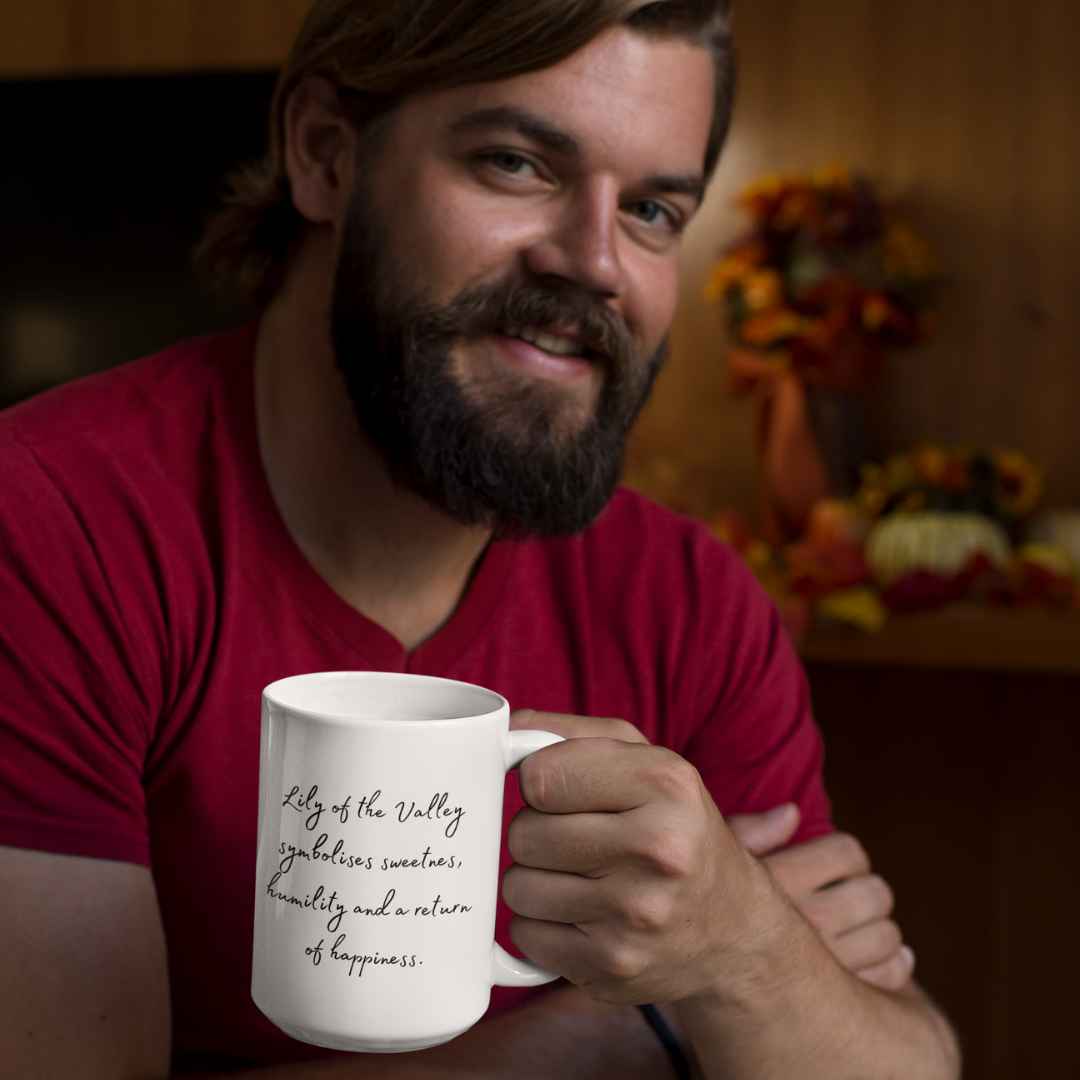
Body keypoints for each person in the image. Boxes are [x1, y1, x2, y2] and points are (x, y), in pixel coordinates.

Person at [0, 1, 960, 1076]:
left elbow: (910, 1058)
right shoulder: (44, 526)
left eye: (651, 208)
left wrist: (746, 953)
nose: (595, 261)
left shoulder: (692, 598)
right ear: (324, 155)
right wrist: (628, 1024)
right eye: (515, 163)